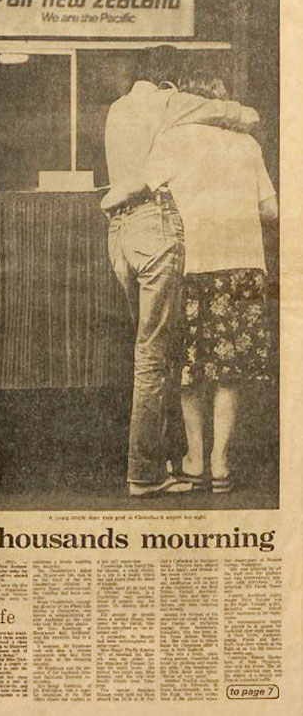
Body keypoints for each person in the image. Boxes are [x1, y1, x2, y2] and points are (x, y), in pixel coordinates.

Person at [101, 46, 259, 497]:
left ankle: (164, 458)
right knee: (155, 357)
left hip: (120, 235)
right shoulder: (170, 102)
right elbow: (246, 114)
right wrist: (223, 118)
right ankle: (145, 474)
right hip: (155, 228)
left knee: (147, 348)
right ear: (170, 81)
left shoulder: (117, 108)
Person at [147, 71, 277, 493]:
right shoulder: (248, 144)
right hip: (246, 268)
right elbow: (271, 212)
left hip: (195, 266)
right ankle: (222, 462)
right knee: (229, 370)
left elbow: (144, 193)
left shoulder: (172, 141)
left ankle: (195, 458)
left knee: (189, 368)